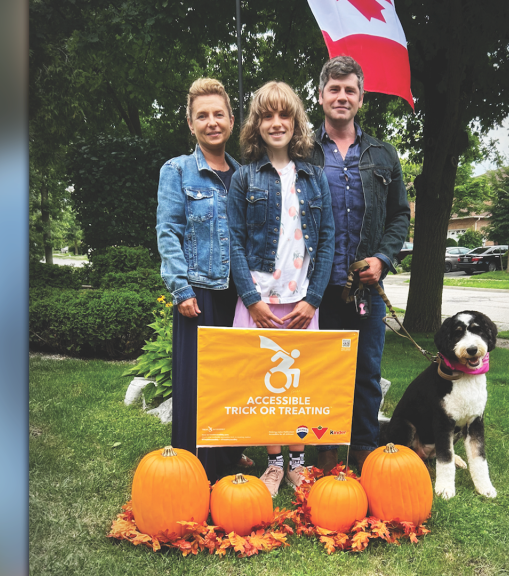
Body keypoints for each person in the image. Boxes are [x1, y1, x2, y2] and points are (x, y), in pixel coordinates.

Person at [227, 81, 335, 496]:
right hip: (258, 302)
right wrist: (252, 300)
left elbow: (326, 241)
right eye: (267, 115)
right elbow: (234, 240)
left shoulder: (314, 176)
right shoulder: (245, 178)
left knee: (299, 385)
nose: (276, 123)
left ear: (296, 122)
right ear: (257, 124)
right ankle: (274, 465)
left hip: (301, 302)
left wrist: (313, 299)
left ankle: (298, 464)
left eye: (283, 115)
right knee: (264, 385)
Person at [308, 56, 411, 473]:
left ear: (361, 98)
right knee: (322, 376)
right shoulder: (302, 152)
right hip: (316, 289)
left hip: (367, 290)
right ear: (320, 96)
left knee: (366, 375)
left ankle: (366, 455)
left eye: (350, 89)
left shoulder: (383, 155)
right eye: (334, 89)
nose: (342, 96)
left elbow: (399, 215)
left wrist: (383, 258)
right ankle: (325, 456)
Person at [156, 78, 248, 480]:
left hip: (240, 295)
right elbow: (168, 231)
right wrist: (180, 289)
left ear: (231, 119)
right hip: (200, 293)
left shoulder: (246, 175)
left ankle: (228, 459)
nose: (212, 122)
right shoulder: (177, 171)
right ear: (191, 124)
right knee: (197, 384)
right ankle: (193, 468)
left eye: (218, 114)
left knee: (235, 381)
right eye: (202, 116)